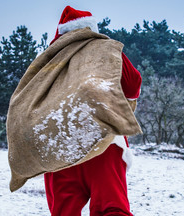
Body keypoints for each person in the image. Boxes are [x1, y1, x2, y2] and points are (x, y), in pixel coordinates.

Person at [43, 6, 142, 216]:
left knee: (64, 211)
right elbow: (132, 86)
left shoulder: (49, 60)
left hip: (62, 150)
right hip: (103, 144)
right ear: (91, 29)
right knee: (112, 208)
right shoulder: (105, 49)